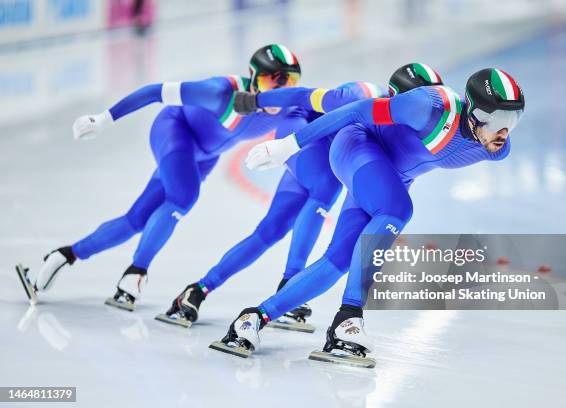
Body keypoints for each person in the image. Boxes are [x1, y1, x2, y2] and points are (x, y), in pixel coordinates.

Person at [211, 68, 525, 366]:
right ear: (472, 111)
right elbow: (353, 110)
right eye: (497, 118)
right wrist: (287, 144)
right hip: (357, 146)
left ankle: (253, 318)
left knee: (338, 261)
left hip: (384, 176)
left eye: (513, 119)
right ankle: (348, 318)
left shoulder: (496, 147)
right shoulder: (428, 107)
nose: (504, 130)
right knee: (397, 210)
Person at [17, 44, 304, 312]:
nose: (279, 90)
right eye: (272, 81)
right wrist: (103, 118)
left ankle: (64, 256)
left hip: (204, 156)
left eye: (288, 82)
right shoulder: (219, 92)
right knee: (183, 197)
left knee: (137, 219)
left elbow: (329, 104)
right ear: (253, 78)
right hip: (175, 130)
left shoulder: (290, 105)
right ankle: (136, 272)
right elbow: (155, 91)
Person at [158, 63, 442, 329]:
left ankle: (198, 289)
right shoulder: (361, 96)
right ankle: (290, 280)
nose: (430, 116)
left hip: (317, 149)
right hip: (302, 133)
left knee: (270, 230)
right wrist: (256, 102)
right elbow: (303, 96)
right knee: (326, 187)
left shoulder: (412, 122)